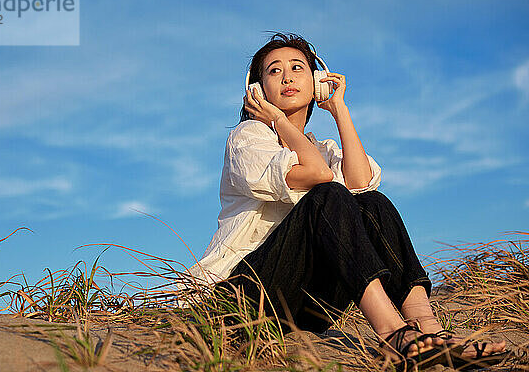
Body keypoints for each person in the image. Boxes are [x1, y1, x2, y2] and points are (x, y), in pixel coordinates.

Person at [181, 32, 506, 366]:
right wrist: (277, 120)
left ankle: (429, 331)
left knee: (373, 203)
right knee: (327, 194)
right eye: (274, 71)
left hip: (304, 305)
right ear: (257, 90)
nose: (288, 77)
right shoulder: (247, 139)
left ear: (317, 81)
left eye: (298, 68)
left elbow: (361, 181)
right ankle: (393, 334)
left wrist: (339, 109)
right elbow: (319, 176)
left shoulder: (320, 149)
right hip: (244, 297)